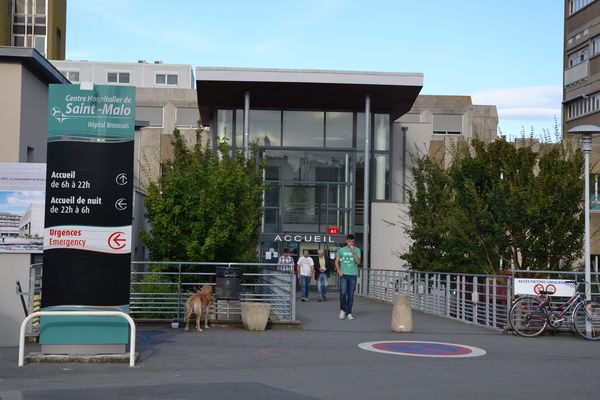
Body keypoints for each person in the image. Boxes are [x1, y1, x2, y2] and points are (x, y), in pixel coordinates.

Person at [335, 234, 361, 320]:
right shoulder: (341, 250)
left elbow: (358, 262)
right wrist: (339, 271)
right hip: (344, 275)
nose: (351, 243)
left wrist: (353, 251)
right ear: (346, 241)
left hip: (353, 275)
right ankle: (343, 310)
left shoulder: (357, 250)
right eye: (349, 241)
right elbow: (336, 261)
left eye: (352, 241)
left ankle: (349, 312)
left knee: (350, 295)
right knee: (343, 293)